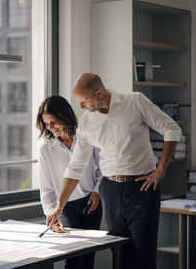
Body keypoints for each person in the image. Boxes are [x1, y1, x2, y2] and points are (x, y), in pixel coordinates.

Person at [46, 73, 181, 269]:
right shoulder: (86, 122)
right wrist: (59, 206)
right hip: (110, 191)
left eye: (84, 102)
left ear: (99, 93)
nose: (81, 107)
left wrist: (160, 169)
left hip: (141, 188)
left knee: (143, 256)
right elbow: (76, 166)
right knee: (119, 254)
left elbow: (171, 128)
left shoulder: (135, 102)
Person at [36, 95, 103, 269]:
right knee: (73, 258)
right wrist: (52, 213)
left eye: (54, 122)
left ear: (64, 116)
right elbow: (46, 187)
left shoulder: (85, 134)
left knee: (89, 256)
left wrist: (97, 191)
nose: (51, 128)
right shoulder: (45, 146)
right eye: (46, 124)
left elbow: (102, 166)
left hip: (91, 202)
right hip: (64, 207)